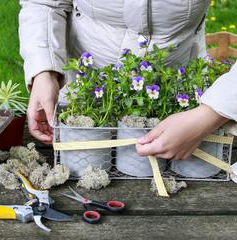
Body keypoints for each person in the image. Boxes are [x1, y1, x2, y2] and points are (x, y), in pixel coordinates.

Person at [18, 0, 237, 160]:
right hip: (83, 89)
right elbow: (44, 4)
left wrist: (210, 114)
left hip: (182, 107)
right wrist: (43, 70)